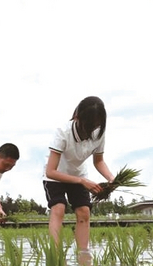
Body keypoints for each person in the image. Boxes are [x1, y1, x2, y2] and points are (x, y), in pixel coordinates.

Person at [43, 96, 114, 253]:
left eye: (96, 125)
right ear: (77, 117)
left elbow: (99, 161)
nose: (90, 132)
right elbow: (51, 171)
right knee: (58, 208)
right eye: (88, 126)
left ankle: (84, 256)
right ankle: (55, 254)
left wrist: (111, 178)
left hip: (78, 173)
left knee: (84, 212)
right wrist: (82, 181)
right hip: (55, 175)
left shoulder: (99, 133)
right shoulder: (63, 132)